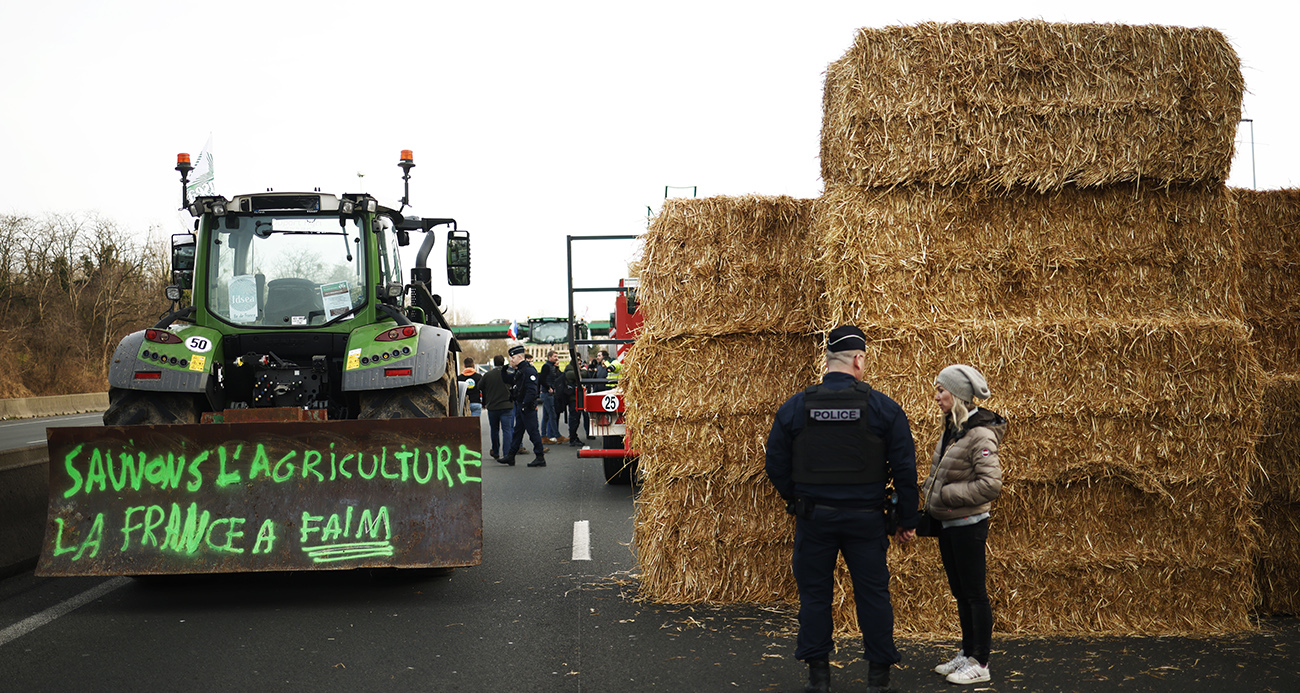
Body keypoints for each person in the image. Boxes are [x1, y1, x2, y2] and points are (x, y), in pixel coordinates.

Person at [765, 325, 918, 693]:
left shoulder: (797, 406)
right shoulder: (883, 408)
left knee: (815, 596)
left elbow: (774, 463)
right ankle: (878, 681)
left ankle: (819, 681)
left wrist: (796, 498)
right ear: (858, 359)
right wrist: (907, 519)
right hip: (866, 520)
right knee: (873, 595)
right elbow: (905, 469)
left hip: (814, 518)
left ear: (828, 361)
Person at [923, 364, 1005, 686]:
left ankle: (981, 662)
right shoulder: (954, 428)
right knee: (960, 591)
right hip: (949, 522)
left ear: (956, 394)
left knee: (974, 593)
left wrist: (947, 494)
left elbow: (991, 484)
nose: (937, 396)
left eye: (941, 390)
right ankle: (967, 652)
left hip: (968, 524)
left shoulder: (980, 434)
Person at [500, 344, 547, 467]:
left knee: (533, 432)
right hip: (521, 404)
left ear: (520, 357)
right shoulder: (520, 370)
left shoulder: (529, 370)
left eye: (513, 358)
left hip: (527, 406)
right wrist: (504, 371)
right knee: (517, 432)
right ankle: (511, 456)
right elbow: (508, 380)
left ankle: (540, 457)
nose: (511, 360)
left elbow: (532, 391)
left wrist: (525, 405)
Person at [479, 355, 514, 461]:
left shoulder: (488, 375)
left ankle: (496, 451)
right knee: (507, 430)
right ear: (504, 362)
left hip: (493, 406)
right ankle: (507, 453)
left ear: (494, 363)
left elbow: (479, 387)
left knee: (494, 430)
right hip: (507, 405)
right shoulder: (509, 374)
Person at [539, 350, 564, 443]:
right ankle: (557, 436)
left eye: (557, 356)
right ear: (549, 357)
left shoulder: (552, 366)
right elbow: (541, 379)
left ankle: (543, 436)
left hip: (548, 393)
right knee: (552, 415)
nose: (556, 358)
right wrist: (548, 387)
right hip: (547, 393)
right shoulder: (546, 366)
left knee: (546, 416)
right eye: (554, 356)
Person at [563, 357, 585, 447]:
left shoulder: (570, 371)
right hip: (573, 399)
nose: (581, 366)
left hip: (575, 399)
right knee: (574, 419)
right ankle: (572, 438)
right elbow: (582, 374)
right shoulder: (570, 372)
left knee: (575, 419)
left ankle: (574, 437)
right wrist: (583, 370)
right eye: (579, 364)